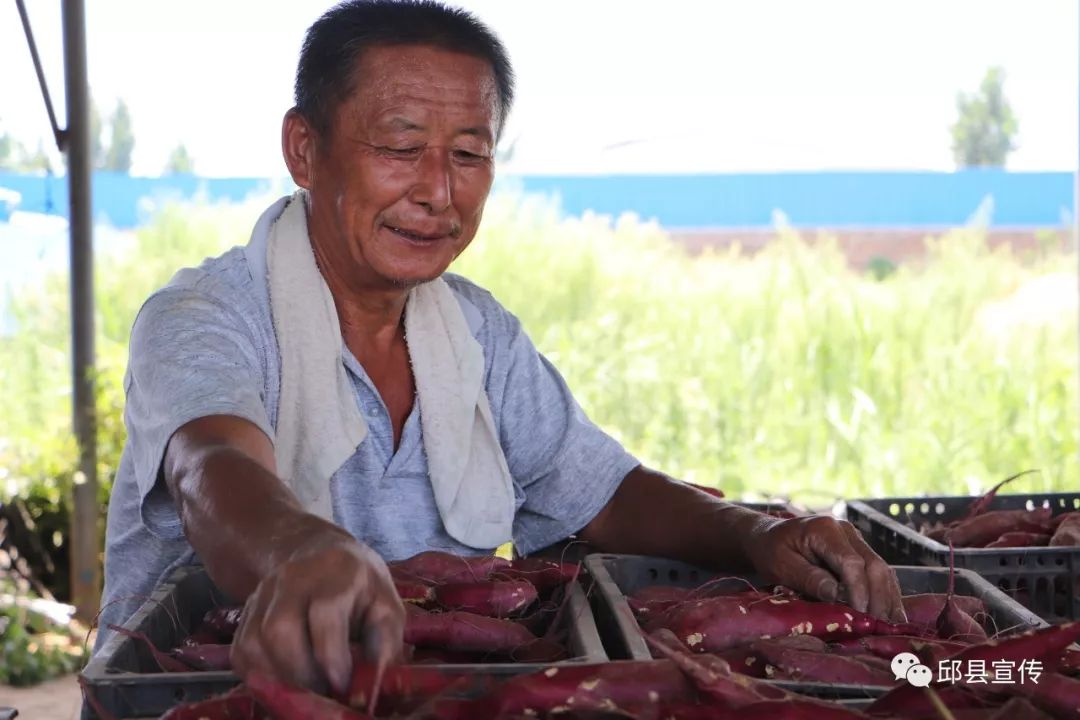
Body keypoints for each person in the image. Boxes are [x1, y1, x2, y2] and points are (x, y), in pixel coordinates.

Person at [96, 0, 905, 697]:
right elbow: (210, 469)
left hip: (408, 695)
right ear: (304, 150)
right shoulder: (206, 314)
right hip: (196, 697)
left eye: (470, 153)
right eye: (401, 145)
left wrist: (751, 533)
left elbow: (601, 492)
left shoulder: (476, 333)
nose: (439, 191)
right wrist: (301, 547)